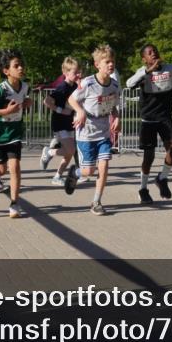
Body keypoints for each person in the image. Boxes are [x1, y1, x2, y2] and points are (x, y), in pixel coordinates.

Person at [125, 44, 172, 204]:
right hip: (148, 119)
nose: (154, 54)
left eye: (155, 51)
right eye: (150, 53)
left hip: (165, 117)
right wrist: (148, 71)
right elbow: (129, 84)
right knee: (148, 157)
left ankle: (162, 178)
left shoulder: (169, 69)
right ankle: (143, 188)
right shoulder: (142, 72)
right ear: (144, 58)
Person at [67, 45, 121, 215]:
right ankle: (75, 173)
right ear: (98, 64)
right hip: (86, 132)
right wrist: (80, 111)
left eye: (112, 61)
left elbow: (114, 106)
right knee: (88, 171)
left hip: (104, 132)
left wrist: (117, 117)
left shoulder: (114, 85)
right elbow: (71, 99)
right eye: (107, 62)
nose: (111, 65)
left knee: (104, 166)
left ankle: (96, 201)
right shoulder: (88, 83)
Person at [0, 48, 32, 219]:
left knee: (15, 167)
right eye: (16, 66)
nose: (21, 68)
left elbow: (22, 101)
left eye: (22, 65)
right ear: (6, 71)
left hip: (15, 133)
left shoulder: (25, 87)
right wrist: (5, 111)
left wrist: (27, 103)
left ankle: (14, 203)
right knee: (1, 170)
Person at [40, 57, 81, 193]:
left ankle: (57, 176)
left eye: (78, 71)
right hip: (59, 123)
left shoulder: (74, 86)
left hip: (69, 122)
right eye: (75, 72)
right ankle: (49, 152)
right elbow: (47, 101)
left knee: (69, 154)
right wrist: (60, 110)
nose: (78, 74)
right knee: (71, 150)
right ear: (66, 72)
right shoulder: (62, 87)